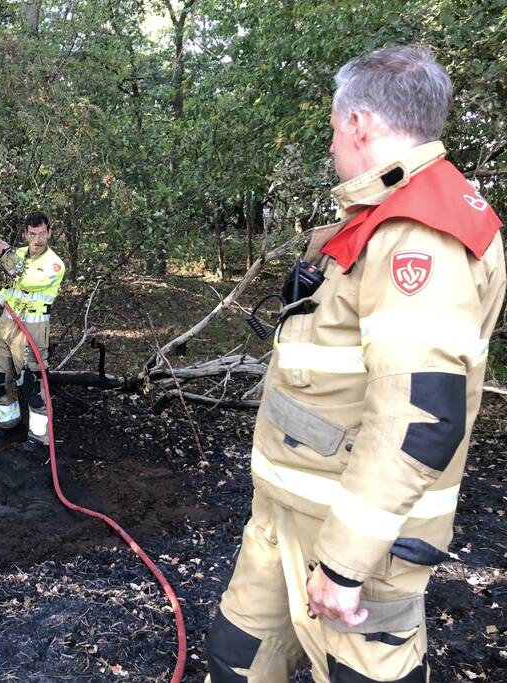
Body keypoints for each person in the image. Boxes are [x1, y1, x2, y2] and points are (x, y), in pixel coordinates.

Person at [205, 46, 505, 682]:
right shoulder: (382, 218)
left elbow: (418, 416)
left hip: (355, 546)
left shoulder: (419, 234)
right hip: (287, 521)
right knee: (238, 659)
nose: (332, 142)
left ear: (358, 123)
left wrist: (344, 563)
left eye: (334, 127)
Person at [0, 212, 66, 453]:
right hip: (6, 326)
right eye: (33, 234)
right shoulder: (18, 255)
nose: (38, 238)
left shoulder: (54, 263)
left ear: (49, 232)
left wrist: (4, 254)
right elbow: (11, 290)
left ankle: (39, 437)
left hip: (33, 330)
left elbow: (28, 280)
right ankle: (8, 422)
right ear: (25, 234)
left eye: (42, 233)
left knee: (32, 385)